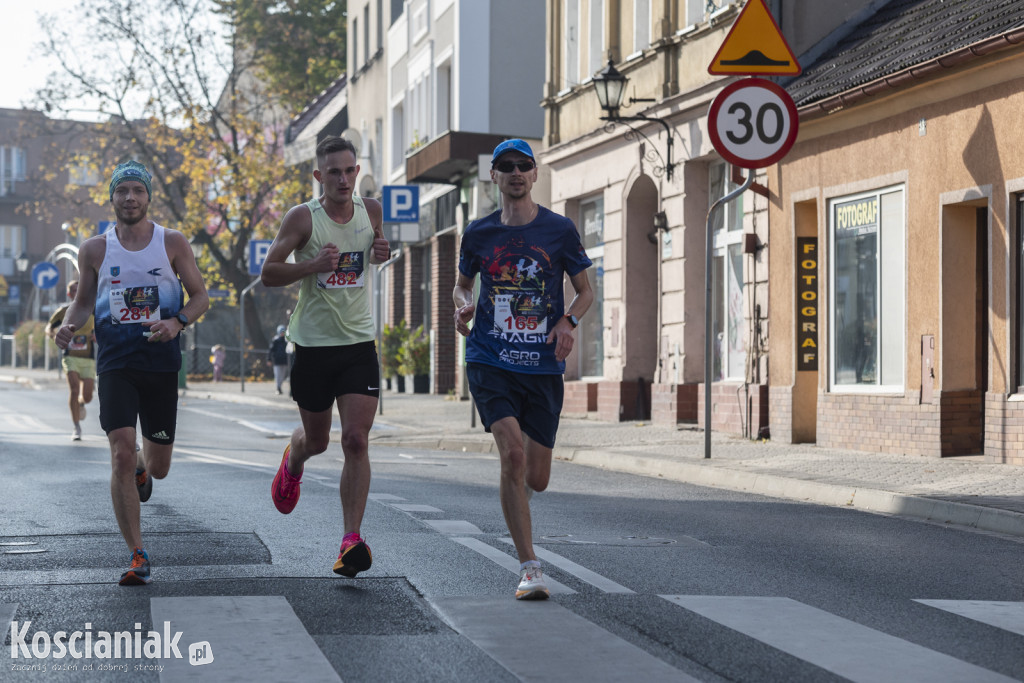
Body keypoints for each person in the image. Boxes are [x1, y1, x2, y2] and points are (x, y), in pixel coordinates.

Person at [54, 160, 209, 586]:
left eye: (137, 191)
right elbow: (84, 302)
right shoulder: (94, 250)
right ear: (112, 198)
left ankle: (145, 464)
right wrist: (70, 324)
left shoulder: (172, 243)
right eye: (122, 191)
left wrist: (176, 323)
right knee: (121, 452)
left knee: (157, 469)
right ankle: (136, 553)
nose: (130, 198)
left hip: (161, 365)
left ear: (148, 197)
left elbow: (200, 297)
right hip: (116, 363)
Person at [453, 139, 593, 600]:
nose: (515, 173)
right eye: (506, 166)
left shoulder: (560, 230)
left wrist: (568, 322)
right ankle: (529, 568)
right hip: (490, 358)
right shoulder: (477, 234)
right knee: (511, 456)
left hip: (542, 364)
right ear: (493, 176)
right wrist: (463, 307)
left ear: (534, 175)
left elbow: (584, 292)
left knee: (537, 478)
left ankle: (518, 500)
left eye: (524, 166)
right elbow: (461, 287)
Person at [261, 136, 389, 578]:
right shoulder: (303, 218)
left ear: (357, 171)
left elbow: (375, 251)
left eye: (349, 170)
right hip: (313, 346)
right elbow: (269, 272)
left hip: (358, 344)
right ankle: (293, 460)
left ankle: (350, 540)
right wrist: (311, 266)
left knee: (355, 439)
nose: (342, 178)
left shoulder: (371, 212)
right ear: (319, 176)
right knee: (317, 441)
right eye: (333, 171)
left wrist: (381, 252)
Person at [47, 280, 96, 441]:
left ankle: (82, 403)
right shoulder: (64, 311)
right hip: (70, 356)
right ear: (69, 294)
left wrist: (97, 335)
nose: (76, 293)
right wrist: (55, 334)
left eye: (79, 289)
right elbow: (49, 327)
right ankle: (76, 427)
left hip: (87, 358)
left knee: (87, 396)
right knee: (74, 389)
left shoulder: (92, 309)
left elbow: (102, 326)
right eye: (73, 291)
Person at [268, 325, 289, 394]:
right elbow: (271, 350)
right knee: (277, 375)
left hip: (284, 360)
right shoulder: (275, 340)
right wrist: (269, 359)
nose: (282, 333)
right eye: (281, 332)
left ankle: (280, 387)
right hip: (277, 361)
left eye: (283, 332)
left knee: (282, 375)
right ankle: (278, 388)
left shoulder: (286, 340)